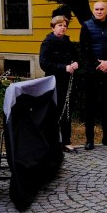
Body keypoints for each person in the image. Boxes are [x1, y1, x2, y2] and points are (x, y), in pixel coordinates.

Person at [79, 1, 107, 150]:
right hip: (92, 73)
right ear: (93, 10)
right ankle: (89, 139)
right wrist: (96, 65)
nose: (99, 11)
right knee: (90, 107)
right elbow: (83, 51)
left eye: (101, 9)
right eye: (96, 9)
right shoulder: (86, 26)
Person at [39, 15, 80, 152]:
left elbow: (77, 58)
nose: (63, 28)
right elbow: (44, 64)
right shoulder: (47, 43)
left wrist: (75, 63)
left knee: (67, 111)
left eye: (65, 25)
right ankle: (52, 142)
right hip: (53, 82)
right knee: (54, 112)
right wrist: (64, 67)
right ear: (53, 27)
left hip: (67, 83)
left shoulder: (68, 42)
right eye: (60, 25)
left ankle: (66, 141)